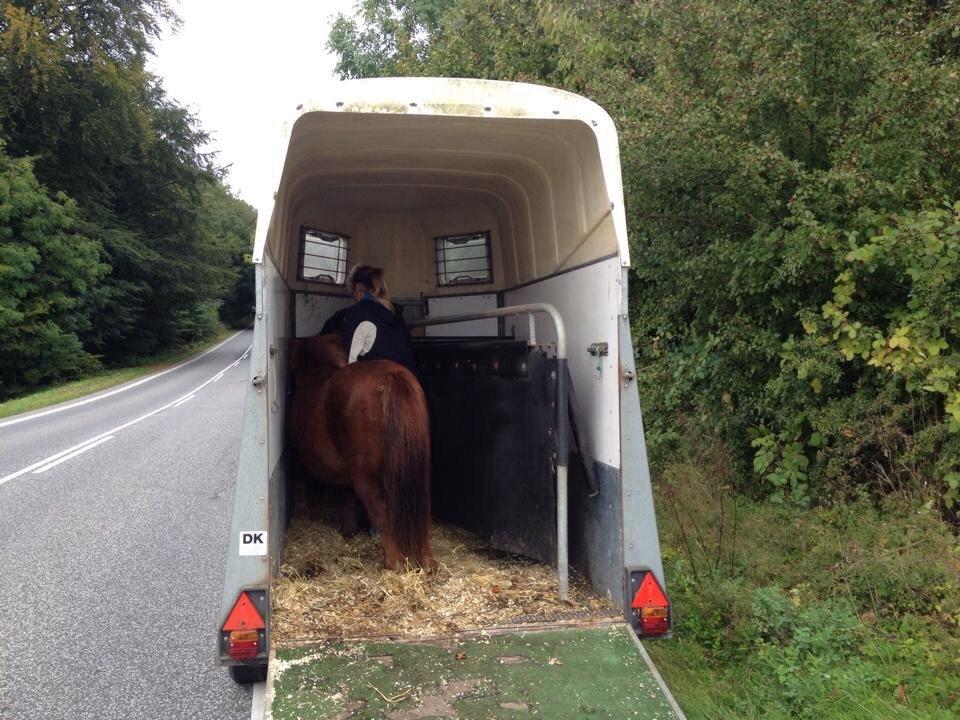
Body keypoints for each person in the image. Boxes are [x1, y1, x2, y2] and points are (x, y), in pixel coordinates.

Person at [320, 265, 417, 375]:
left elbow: (350, 355)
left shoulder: (357, 312)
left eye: (353, 294)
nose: (354, 298)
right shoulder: (396, 315)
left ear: (357, 287)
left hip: (377, 375)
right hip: (409, 375)